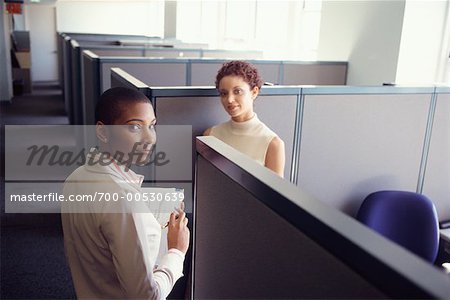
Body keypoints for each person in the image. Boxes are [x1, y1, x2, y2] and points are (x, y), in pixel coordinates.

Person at [61, 87, 190, 299]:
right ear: (103, 132)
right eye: (135, 127)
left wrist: (144, 217)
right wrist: (176, 251)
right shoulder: (122, 199)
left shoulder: (76, 177)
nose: (150, 138)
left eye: (152, 126)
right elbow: (147, 296)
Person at [204, 60, 285, 177]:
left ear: (254, 92)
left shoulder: (272, 144)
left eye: (237, 91)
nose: (230, 99)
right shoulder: (210, 135)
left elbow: (275, 194)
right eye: (224, 93)